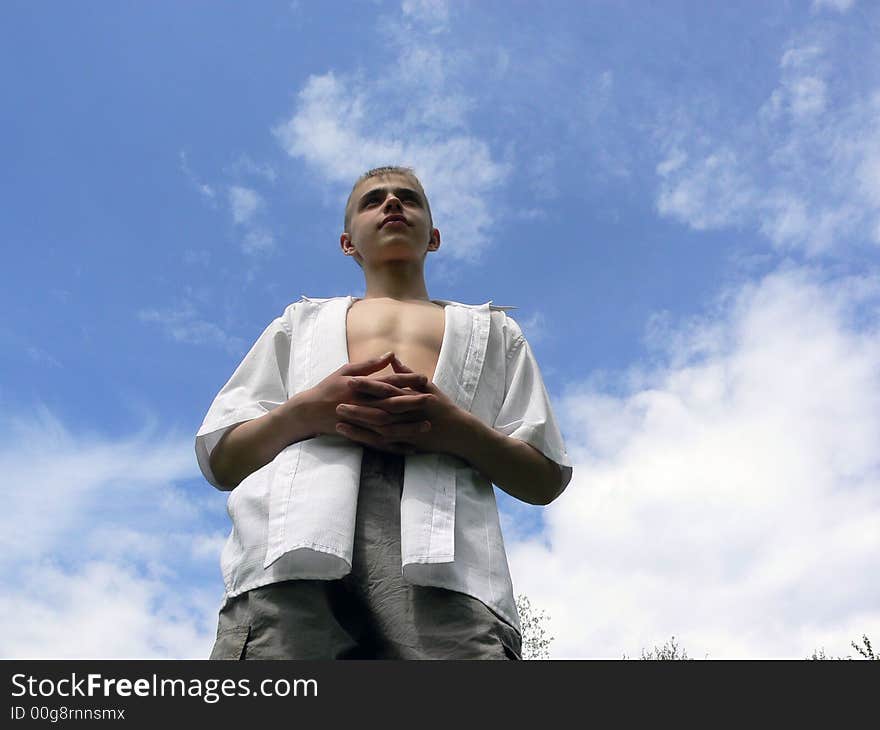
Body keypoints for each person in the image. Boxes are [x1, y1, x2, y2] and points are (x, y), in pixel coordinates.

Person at [195, 165, 573, 659]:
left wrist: (456, 430)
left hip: (450, 568)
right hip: (290, 558)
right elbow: (222, 459)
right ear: (347, 242)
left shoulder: (494, 334)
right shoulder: (300, 322)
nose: (392, 204)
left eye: (408, 199)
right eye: (373, 200)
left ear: (433, 237)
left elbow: (543, 477)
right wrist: (305, 413)